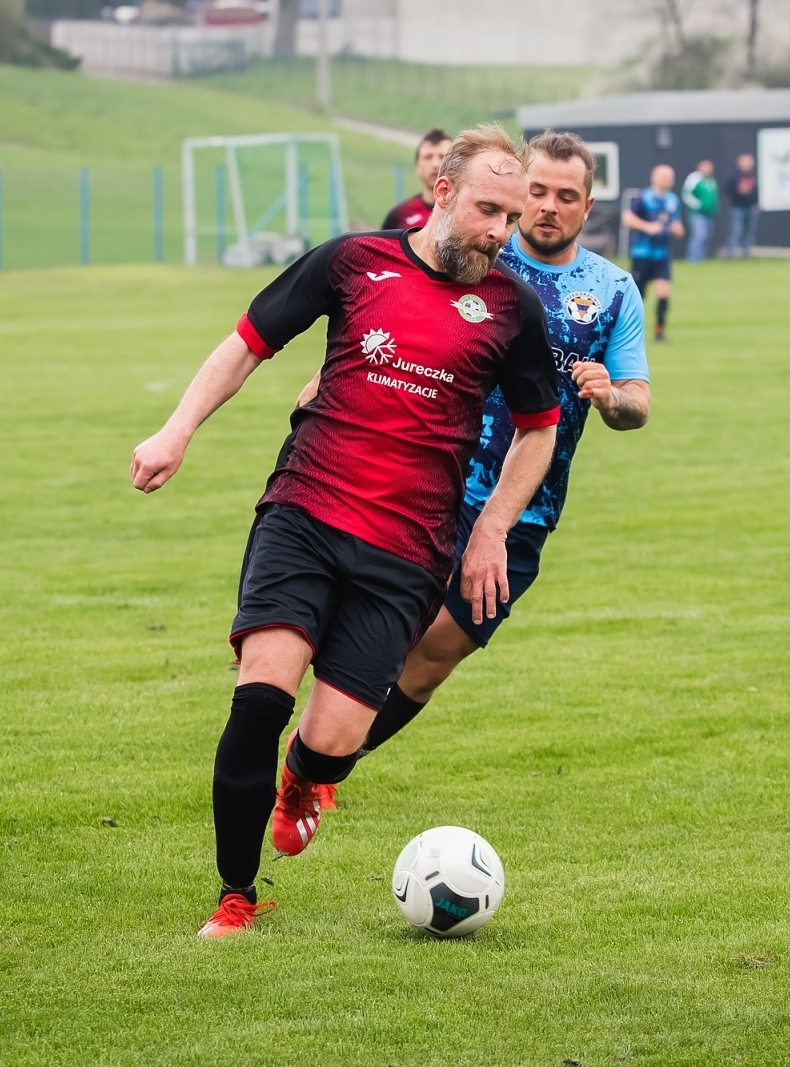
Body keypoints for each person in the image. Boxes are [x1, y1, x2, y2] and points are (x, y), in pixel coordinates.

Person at [130, 124, 561, 939]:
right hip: (306, 511)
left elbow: (537, 427)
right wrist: (176, 429)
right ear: (442, 190)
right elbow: (248, 343)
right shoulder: (354, 261)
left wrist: (490, 529)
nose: (500, 232)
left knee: (336, 737)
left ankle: (306, 778)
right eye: (488, 210)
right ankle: (236, 894)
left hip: (408, 548)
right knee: (260, 696)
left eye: (510, 217)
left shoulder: (510, 307)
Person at [307, 129, 652, 793]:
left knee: (434, 655)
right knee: (373, 627)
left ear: (588, 207)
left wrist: (611, 397)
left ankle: (326, 769)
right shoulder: (478, 255)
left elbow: (638, 402)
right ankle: (313, 752)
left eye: (567, 196)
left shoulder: (612, 291)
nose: (549, 206)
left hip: (524, 510)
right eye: (539, 192)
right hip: (428, 483)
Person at [622, 164, 684, 341]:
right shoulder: (643, 197)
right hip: (642, 253)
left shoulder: (673, 200)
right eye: (662, 176)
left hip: (662, 254)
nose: (666, 179)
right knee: (637, 296)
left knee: (664, 292)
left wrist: (676, 229)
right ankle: (629, 332)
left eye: (669, 176)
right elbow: (627, 218)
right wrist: (648, 227)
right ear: (654, 178)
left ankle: (659, 331)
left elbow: (676, 224)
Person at [381, 127, 451, 230]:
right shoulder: (399, 215)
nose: (435, 164)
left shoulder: (466, 212)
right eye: (428, 157)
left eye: (442, 157)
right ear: (417, 166)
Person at [681, 159, 718, 262]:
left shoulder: (711, 180)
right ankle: (692, 258)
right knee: (699, 236)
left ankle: (701, 258)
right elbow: (686, 194)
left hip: (709, 213)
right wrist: (698, 205)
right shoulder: (694, 178)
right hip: (697, 213)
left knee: (706, 237)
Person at [726, 153, 760, 258]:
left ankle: (746, 253)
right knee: (736, 230)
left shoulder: (755, 176)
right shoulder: (734, 177)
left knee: (749, 232)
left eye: (749, 163)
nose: (747, 165)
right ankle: (731, 253)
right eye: (744, 163)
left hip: (751, 208)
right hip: (737, 208)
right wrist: (739, 191)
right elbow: (727, 191)